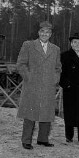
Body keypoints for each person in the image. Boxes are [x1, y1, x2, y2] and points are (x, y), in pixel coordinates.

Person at [16, 21, 62, 150]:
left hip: (48, 85)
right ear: (38, 32)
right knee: (30, 113)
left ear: (51, 34)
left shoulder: (56, 49)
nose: (44, 34)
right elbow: (21, 64)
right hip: (32, 85)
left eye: (47, 32)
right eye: (42, 31)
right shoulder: (28, 45)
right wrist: (28, 77)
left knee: (46, 112)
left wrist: (55, 79)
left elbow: (58, 67)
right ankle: (26, 140)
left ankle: (43, 139)